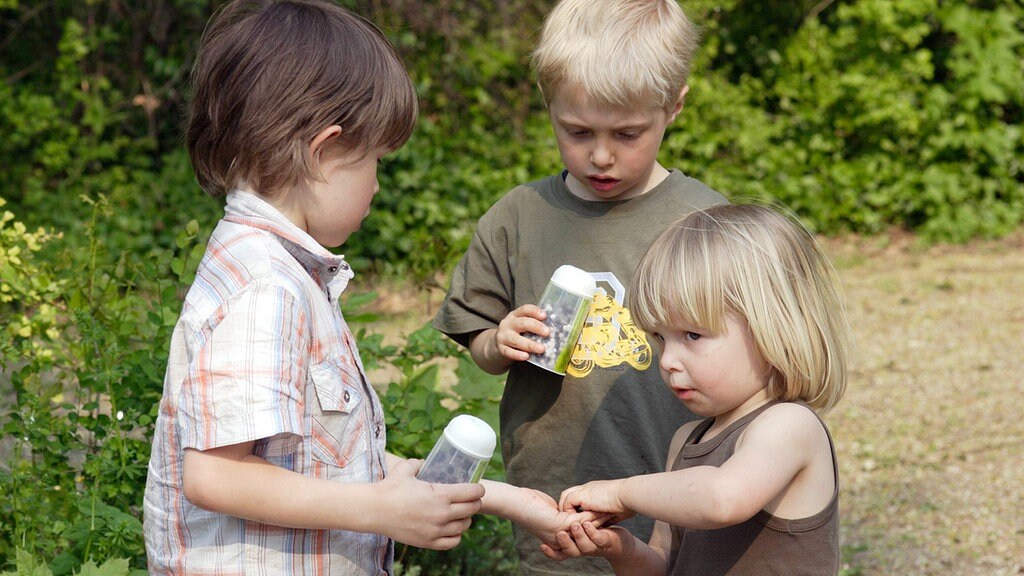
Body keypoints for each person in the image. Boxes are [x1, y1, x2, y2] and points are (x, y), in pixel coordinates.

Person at [143, 1, 590, 574]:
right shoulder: (267, 290)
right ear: (324, 152)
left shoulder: (279, 271)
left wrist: (501, 498)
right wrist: (379, 510)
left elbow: (311, 461)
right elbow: (216, 474)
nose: (378, 183)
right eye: (374, 160)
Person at [431, 0, 727, 573]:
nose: (601, 154)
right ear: (550, 108)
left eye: (627, 133)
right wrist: (500, 341)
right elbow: (481, 345)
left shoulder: (708, 224)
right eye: (577, 131)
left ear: (675, 106)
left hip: (679, 497)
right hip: (555, 506)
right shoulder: (519, 218)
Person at [542, 203, 852, 575]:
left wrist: (621, 491)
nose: (668, 360)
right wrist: (619, 548)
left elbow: (722, 499)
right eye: (660, 337)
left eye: (692, 335)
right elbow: (664, 566)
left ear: (772, 327)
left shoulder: (789, 425)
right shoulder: (687, 441)